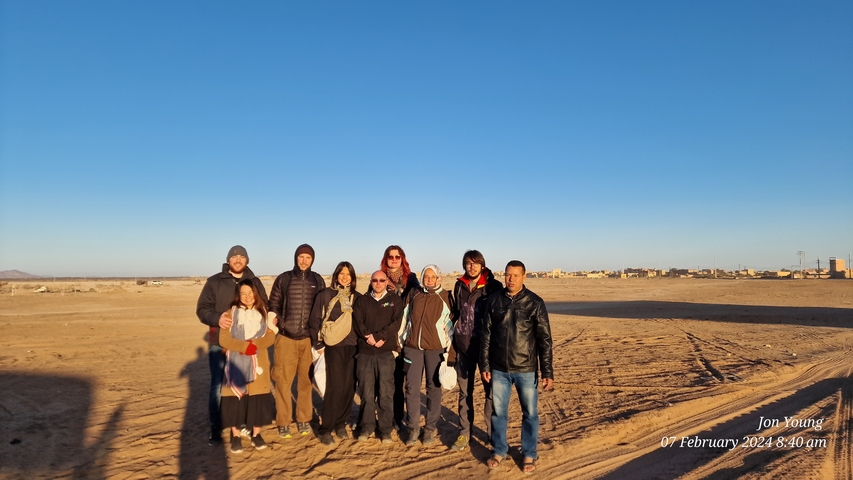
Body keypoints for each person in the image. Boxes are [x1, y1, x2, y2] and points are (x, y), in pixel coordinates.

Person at [480, 260, 554, 474]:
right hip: (499, 369)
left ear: (524, 276)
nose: (510, 279)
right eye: (507, 275)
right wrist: (485, 364)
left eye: (515, 275)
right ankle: (499, 449)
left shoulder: (535, 303)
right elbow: (486, 335)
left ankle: (529, 452)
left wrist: (547, 371)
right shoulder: (494, 301)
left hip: (526, 368)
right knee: (498, 412)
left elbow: (544, 340)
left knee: (530, 413)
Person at [196, 245, 268, 446]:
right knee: (219, 387)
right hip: (221, 343)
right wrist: (217, 318)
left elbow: (264, 306)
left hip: (249, 345)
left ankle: (242, 424)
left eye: (242, 257)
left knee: (248, 385)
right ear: (228, 260)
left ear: (247, 261)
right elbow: (202, 309)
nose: (238, 260)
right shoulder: (215, 282)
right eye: (234, 257)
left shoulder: (254, 282)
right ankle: (216, 427)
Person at [268, 244, 326, 438]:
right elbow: (273, 304)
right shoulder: (284, 279)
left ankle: (303, 419)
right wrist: (282, 324)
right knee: (283, 382)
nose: (304, 261)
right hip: (286, 338)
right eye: (301, 257)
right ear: (295, 258)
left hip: (308, 340)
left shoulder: (317, 280)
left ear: (312, 260)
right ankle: (283, 421)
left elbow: (322, 308)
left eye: (307, 258)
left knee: (305, 382)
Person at [449, 250, 503, 451]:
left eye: (475, 263)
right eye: (468, 263)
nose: (471, 267)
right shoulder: (459, 285)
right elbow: (455, 314)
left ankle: (493, 435)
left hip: (487, 348)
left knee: (491, 393)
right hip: (464, 347)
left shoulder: (493, 287)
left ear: (482, 265)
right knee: (464, 393)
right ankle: (464, 433)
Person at [219, 280, 277, 453]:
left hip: (259, 362)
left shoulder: (264, 313)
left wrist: (254, 344)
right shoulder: (230, 314)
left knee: (257, 399)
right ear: (238, 295)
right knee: (236, 400)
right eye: (243, 293)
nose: (247, 297)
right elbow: (224, 339)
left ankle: (256, 434)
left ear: (256, 294)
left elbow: (270, 337)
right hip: (236, 363)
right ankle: (235, 435)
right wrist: (244, 347)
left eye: (250, 293)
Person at [400, 265, 453, 446]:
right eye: (426, 276)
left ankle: (430, 428)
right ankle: (413, 428)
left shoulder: (445, 297)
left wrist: (449, 352)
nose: (429, 280)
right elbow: (404, 318)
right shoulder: (414, 294)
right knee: (411, 388)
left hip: (435, 350)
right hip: (413, 348)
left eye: (433, 277)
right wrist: (401, 342)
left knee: (433, 389)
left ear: (439, 278)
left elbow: (450, 327)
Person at [309, 261, 361, 445]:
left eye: (348, 274)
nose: (345, 277)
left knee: (348, 387)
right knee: (335, 387)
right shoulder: (325, 295)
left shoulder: (357, 297)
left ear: (353, 277)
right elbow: (314, 320)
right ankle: (326, 428)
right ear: (336, 275)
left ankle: (341, 423)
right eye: (342, 273)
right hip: (333, 347)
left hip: (353, 347)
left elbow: (362, 323)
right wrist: (318, 343)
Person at [353, 270, 404, 444]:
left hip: (385, 352)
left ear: (386, 282)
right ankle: (367, 427)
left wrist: (381, 337)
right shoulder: (362, 300)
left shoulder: (395, 300)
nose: (378, 283)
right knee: (367, 393)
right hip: (365, 352)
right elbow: (358, 322)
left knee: (386, 393)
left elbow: (396, 323)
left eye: (382, 280)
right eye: (375, 280)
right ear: (371, 281)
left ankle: (385, 429)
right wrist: (369, 336)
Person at [379, 245, 420, 431]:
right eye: (390, 256)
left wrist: (396, 288)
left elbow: (419, 298)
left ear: (402, 259)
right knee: (385, 380)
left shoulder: (410, 279)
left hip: (405, 336)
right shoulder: (379, 277)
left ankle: (399, 417)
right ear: (385, 259)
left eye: (397, 256)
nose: (394, 259)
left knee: (402, 380)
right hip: (386, 336)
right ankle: (387, 417)